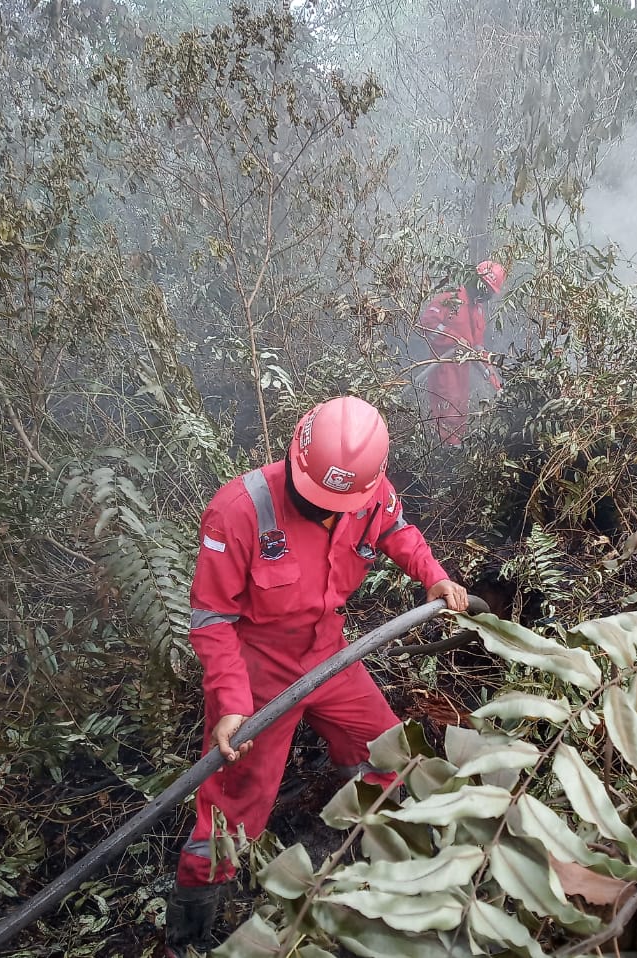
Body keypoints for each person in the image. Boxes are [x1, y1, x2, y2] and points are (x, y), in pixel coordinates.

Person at [164, 396, 468, 958]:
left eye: (336, 502)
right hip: (257, 676)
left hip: (330, 657)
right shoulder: (238, 510)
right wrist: (231, 702)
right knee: (233, 813)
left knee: (392, 753)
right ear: (295, 456)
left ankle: (363, 841)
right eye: (313, 497)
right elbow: (212, 620)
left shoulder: (369, 490)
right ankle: (187, 934)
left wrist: (435, 577)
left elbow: (398, 529)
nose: (323, 509)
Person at [419, 260, 506, 446]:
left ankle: (455, 454)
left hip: (462, 371)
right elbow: (428, 324)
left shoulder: (478, 310)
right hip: (443, 368)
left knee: (460, 413)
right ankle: (443, 454)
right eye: (485, 286)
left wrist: (496, 384)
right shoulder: (451, 296)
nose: (485, 293)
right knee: (446, 414)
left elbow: (477, 348)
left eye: (490, 290)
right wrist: (455, 340)